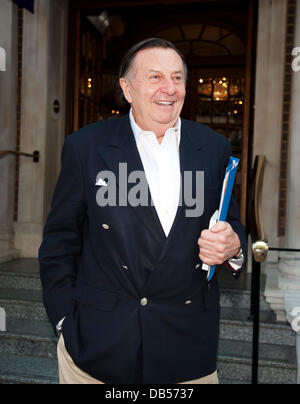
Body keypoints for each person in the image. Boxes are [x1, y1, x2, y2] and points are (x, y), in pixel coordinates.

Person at [39, 38, 247, 385]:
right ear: (127, 88)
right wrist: (63, 320)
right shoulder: (86, 147)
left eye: (177, 78)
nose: (170, 88)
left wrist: (234, 246)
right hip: (97, 349)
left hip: (187, 348)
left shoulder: (213, 147)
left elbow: (233, 224)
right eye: (155, 77)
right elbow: (60, 240)